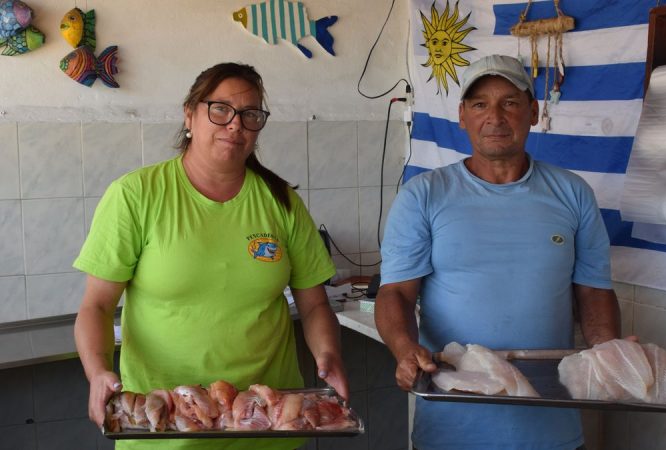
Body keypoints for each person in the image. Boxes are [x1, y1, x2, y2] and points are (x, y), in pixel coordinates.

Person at [73, 62, 348, 450]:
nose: (235, 125)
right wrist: (98, 372)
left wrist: (328, 355)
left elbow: (315, 303)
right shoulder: (135, 196)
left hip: (267, 426)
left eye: (250, 114)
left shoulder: (281, 201)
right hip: (165, 426)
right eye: (220, 109)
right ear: (190, 114)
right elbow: (96, 307)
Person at [375, 54, 621, 450]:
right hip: (452, 428)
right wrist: (405, 350)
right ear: (462, 115)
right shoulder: (423, 195)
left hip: (550, 429)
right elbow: (396, 294)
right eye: (479, 104)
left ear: (533, 112)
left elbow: (593, 292)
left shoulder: (573, 193)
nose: (495, 116)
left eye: (509, 102)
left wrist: (611, 354)